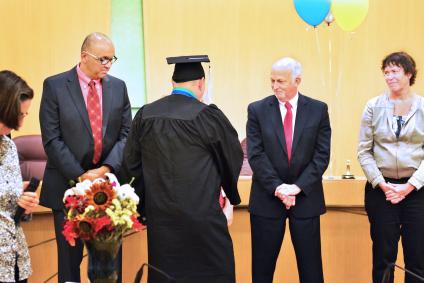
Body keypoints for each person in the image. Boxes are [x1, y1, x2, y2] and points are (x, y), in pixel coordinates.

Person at [123, 55, 243, 283]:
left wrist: (143, 209)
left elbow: (131, 166)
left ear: (173, 82)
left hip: (162, 223)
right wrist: (230, 196)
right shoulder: (208, 116)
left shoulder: (146, 115)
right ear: (201, 83)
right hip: (203, 220)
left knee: (166, 275)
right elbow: (232, 156)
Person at [39, 32, 132, 283]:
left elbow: (126, 134)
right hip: (68, 185)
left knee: (108, 267)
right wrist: (81, 176)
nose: (108, 65)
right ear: (84, 56)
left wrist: (104, 170)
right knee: (69, 265)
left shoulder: (118, 86)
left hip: (108, 187)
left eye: (112, 59)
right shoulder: (55, 86)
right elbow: (52, 138)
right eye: (102, 59)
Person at [247, 57, 331, 283]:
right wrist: (278, 188)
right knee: (262, 270)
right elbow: (256, 154)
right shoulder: (257, 110)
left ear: (297, 80)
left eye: (281, 81)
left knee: (311, 271)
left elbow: (321, 156)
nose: (275, 86)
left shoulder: (318, 109)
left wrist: (296, 188)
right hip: (267, 199)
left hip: (306, 199)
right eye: (272, 80)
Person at [357, 51, 424, 283]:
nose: (389, 77)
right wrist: (382, 184)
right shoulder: (373, 106)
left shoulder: (423, 106)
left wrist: (410, 186)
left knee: (417, 257)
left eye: (395, 71)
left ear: (409, 73)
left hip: (417, 192)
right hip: (382, 191)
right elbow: (364, 151)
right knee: (383, 258)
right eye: (386, 72)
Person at [0, 70, 39, 283]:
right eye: (20, 114)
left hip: (13, 255)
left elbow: (11, 202)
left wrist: (23, 199)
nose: (22, 122)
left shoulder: (8, 146)